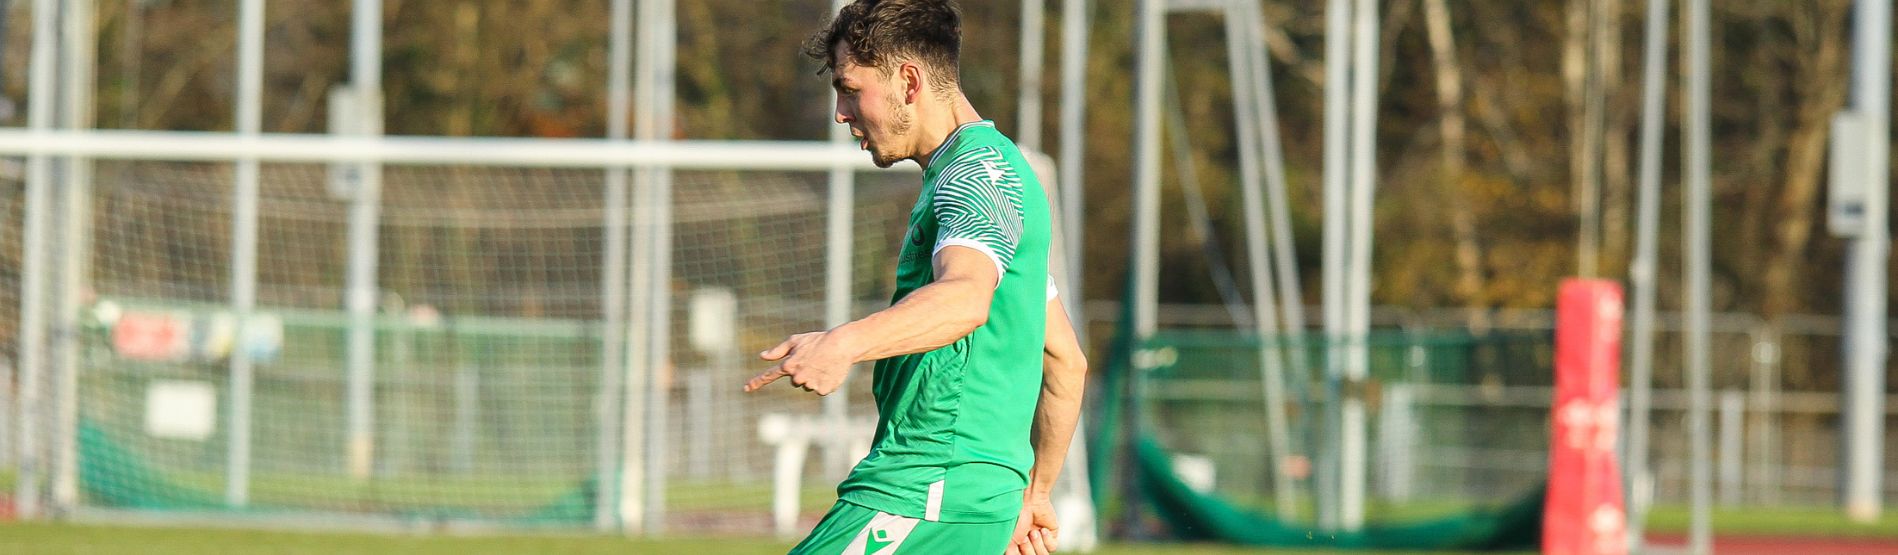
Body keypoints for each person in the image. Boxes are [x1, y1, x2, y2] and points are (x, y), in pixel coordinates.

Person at [742, 1, 1087, 554]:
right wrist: (1034, 495)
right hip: (968, 498)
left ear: (908, 80)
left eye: (850, 88)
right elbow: (1065, 361)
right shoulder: (999, 171)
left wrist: (844, 344)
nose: (840, 113)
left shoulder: (974, 177)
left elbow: (965, 300)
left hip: (928, 485)